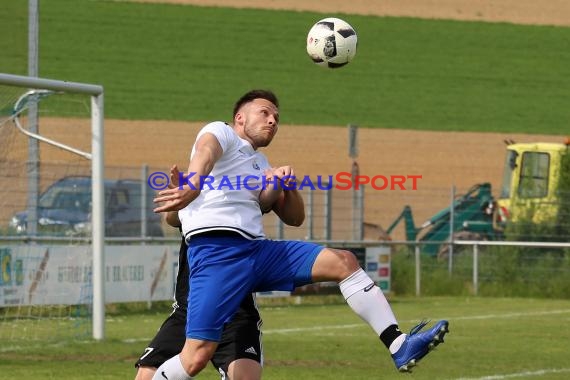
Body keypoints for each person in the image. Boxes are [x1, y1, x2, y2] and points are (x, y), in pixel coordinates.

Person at [152, 89, 450, 379]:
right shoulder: (221, 132)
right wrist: (192, 185)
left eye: (277, 118)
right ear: (240, 118)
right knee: (196, 357)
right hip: (218, 253)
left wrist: (285, 183)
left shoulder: (261, 165)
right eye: (264, 113)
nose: (272, 121)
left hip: (258, 252)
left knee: (344, 262)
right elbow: (206, 151)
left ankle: (399, 345)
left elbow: (294, 217)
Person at [135, 170, 263, 380]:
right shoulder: (196, 191)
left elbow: (292, 216)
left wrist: (281, 183)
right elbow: (172, 218)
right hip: (188, 311)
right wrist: (179, 195)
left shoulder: (243, 191)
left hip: (236, 314)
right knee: (147, 375)